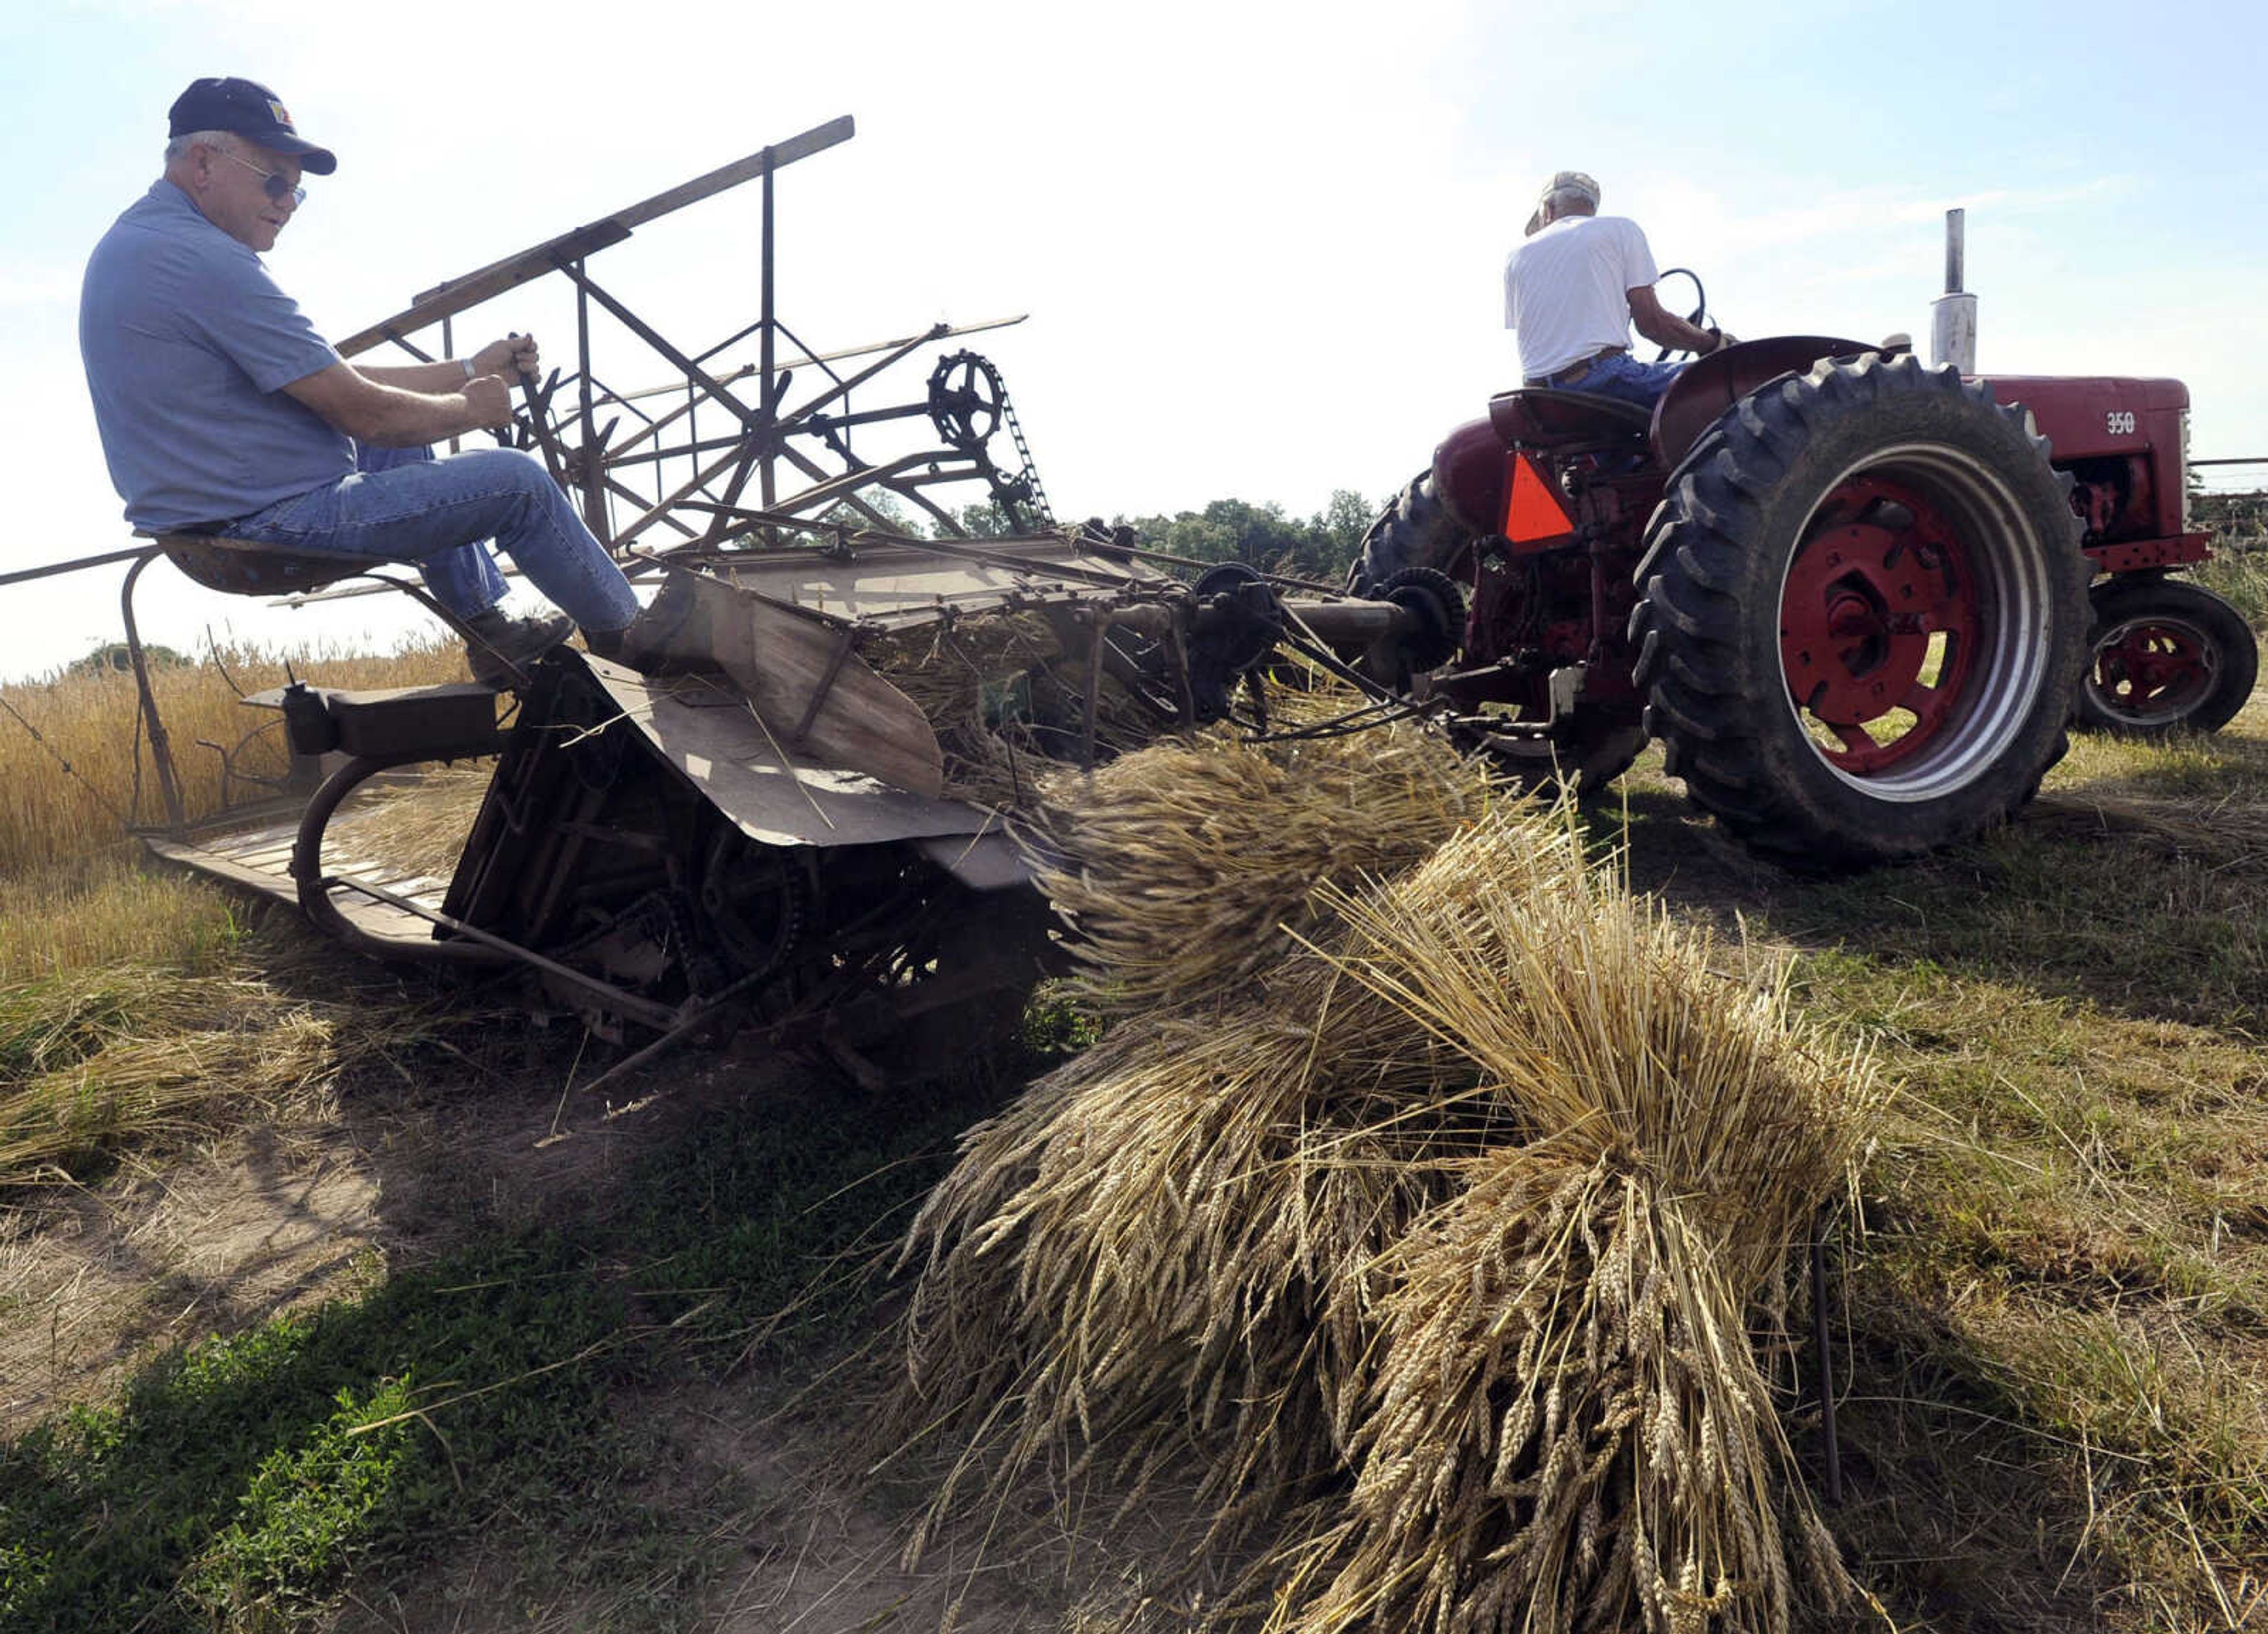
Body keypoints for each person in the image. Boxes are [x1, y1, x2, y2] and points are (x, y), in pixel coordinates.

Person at [79, 77, 656, 686]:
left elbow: (336, 381)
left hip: (212, 523)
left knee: (403, 440)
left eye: (297, 195)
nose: (285, 205)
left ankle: (489, 630)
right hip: (261, 528)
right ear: (203, 162)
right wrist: (471, 408)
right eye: (274, 180)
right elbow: (365, 412)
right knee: (519, 484)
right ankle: (641, 646)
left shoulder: (147, 243)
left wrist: (469, 369)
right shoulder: (205, 261)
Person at [1502, 171, 1735, 411]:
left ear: (1548, 209)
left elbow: (1546, 336)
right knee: (1730, 378)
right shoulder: (1619, 230)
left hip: (1538, 395)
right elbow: (1653, 325)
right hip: (1601, 380)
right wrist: (1713, 345)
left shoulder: (1515, 257)